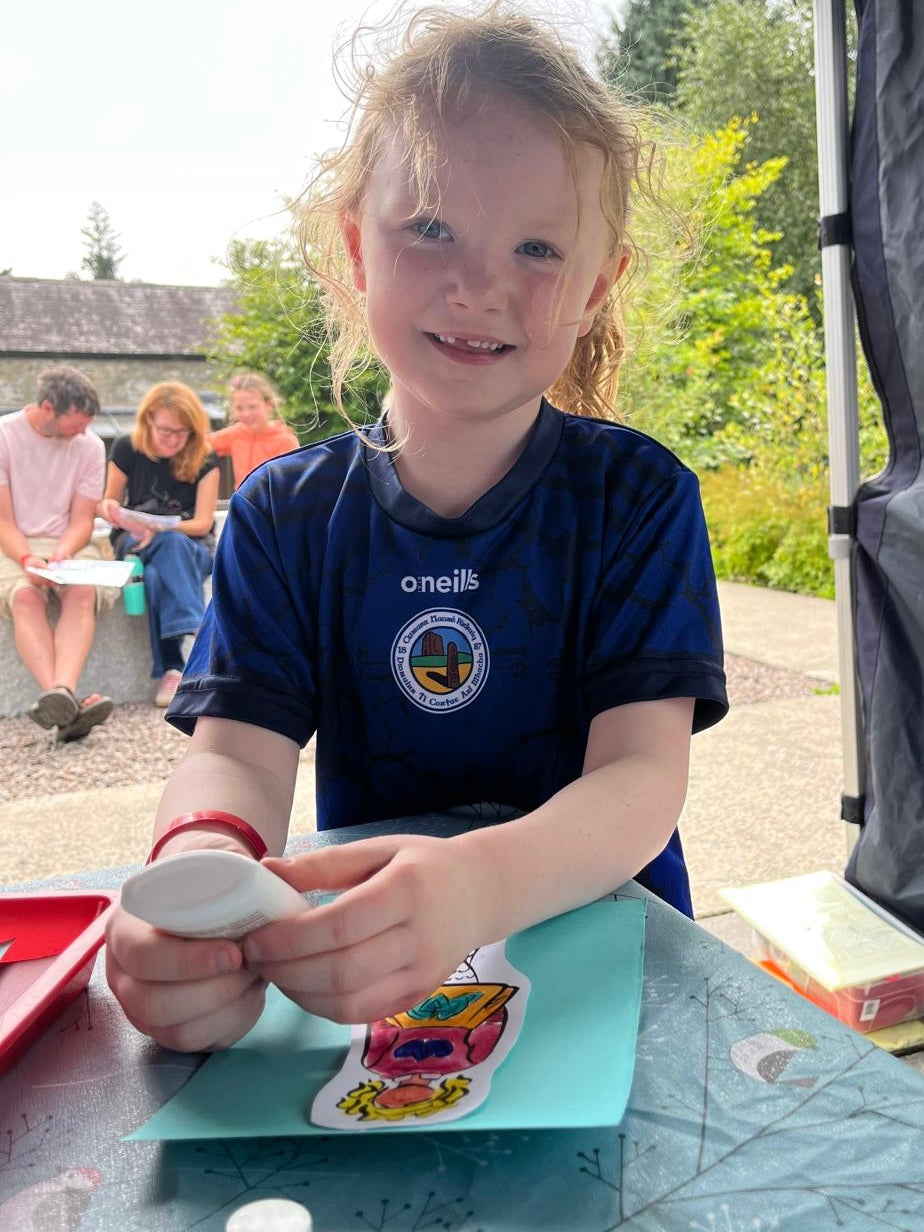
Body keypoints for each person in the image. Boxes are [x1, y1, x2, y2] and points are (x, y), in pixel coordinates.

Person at [106, 4, 728, 1054]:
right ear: (356, 245)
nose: (479, 283)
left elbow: (639, 779)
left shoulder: (638, 497)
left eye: (538, 246)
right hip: (376, 993)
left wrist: (478, 885)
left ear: (596, 285)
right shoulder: (284, 515)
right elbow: (236, 755)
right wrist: (199, 879)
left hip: (614, 970)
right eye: (431, 227)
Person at [0, 366, 114, 741]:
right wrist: (28, 560)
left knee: (82, 592)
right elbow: (3, 521)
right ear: (47, 408)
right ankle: (68, 704)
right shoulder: (4, 436)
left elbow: (82, 519)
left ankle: (60, 694)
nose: (83, 432)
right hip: (13, 542)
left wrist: (62, 554)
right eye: (75, 424)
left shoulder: (91, 446)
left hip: (69, 542)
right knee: (26, 599)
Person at [99, 382, 219, 709]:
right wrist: (112, 509)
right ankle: (200, 640)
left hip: (191, 548)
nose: (173, 439)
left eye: (182, 433)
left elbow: (203, 523)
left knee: (158, 569)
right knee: (163, 549)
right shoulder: (126, 447)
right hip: (134, 541)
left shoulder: (205, 456)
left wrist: (160, 526)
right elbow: (109, 501)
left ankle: (172, 669)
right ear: (148, 419)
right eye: (165, 430)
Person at [208, 373, 299, 489]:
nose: (246, 414)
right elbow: (201, 444)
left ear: (269, 405)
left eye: (252, 407)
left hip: (274, 504)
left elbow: (296, 481)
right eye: (239, 408)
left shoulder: (286, 440)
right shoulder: (236, 433)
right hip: (243, 503)